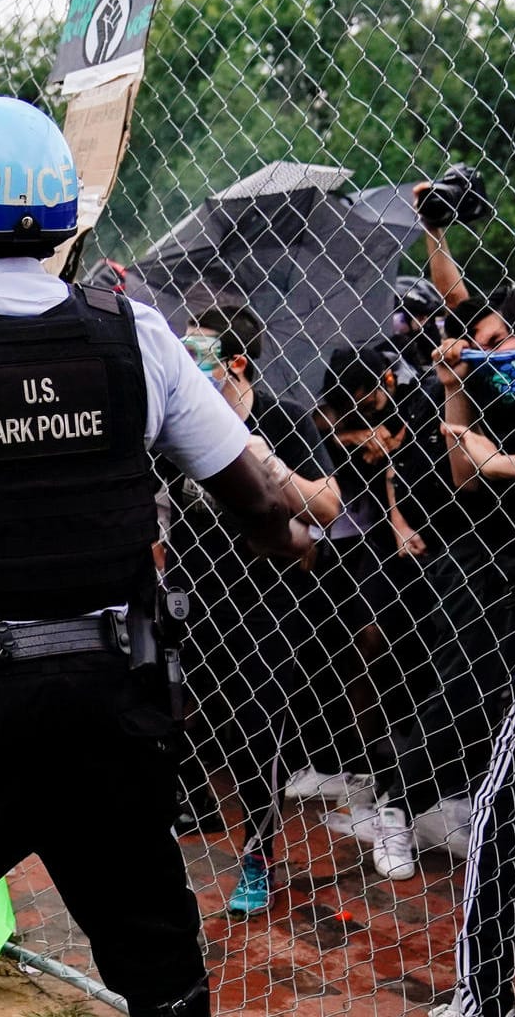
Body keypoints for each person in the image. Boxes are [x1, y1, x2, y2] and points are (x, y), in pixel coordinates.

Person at [0, 96, 310, 1016]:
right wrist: (300, 527)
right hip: (112, 704)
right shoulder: (136, 333)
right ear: (59, 227)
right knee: (157, 957)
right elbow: (260, 498)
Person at [172, 302, 342, 913]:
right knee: (173, 715)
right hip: (193, 595)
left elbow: (325, 505)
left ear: (236, 363)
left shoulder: (284, 418)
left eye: (198, 354)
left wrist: (248, 442)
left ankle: (258, 856)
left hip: (263, 602)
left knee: (254, 737)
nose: (183, 363)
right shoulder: (176, 421)